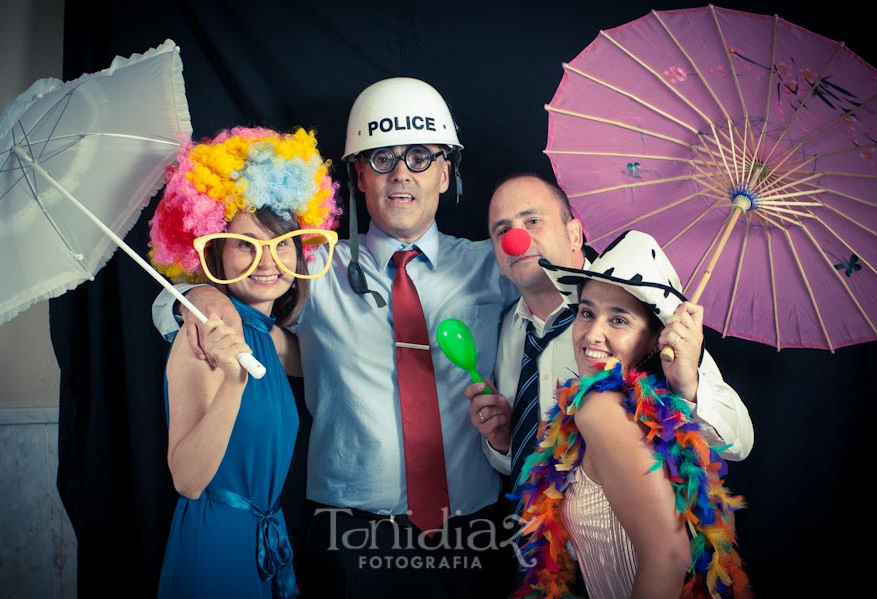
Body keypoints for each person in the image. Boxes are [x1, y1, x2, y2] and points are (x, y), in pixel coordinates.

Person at [151, 78, 521, 599]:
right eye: (381, 157)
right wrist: (203, 300)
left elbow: (564, 302)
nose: (400, 174)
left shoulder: (492, 266)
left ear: (445, 172)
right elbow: (206, 291)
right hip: (351, 540)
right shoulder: (311, 265)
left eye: (420, 156)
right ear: (357, 175)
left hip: (474, 533)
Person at [149, 126, 341, 599]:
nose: (267, 260)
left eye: (281, 242)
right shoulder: (205, 337)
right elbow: (189, 481)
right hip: (215, 547)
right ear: (215, 251)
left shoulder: (277, 342)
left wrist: (193, 294)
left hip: (267, 542)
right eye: (245, 244)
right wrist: (233, 379)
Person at [513, 230, 752, 599]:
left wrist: (687, 382)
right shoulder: (602, 407)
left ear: (658, 338)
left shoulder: (602, 406)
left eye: (619, 320)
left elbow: (671, 556)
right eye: (587, 312)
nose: (593, 334)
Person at [466, 173, 752, 481]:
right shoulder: (506, 329)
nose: (515, 240)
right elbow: (525, 476)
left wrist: (688, 387)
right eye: (502, 230)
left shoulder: (644, 313)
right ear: (497, 255)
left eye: (532, 221)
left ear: (574, 234)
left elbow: (738, 443)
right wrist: (503, 443)